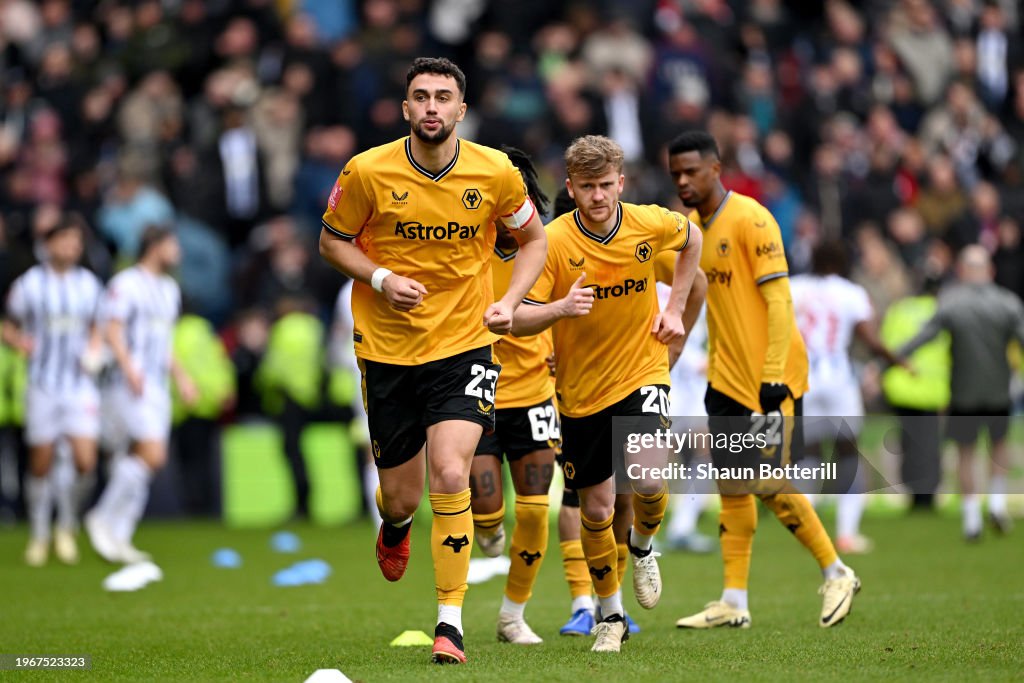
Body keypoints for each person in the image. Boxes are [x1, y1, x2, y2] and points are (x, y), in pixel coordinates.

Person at [318, 57, 547, 665]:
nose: (431, 108)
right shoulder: (367, 171)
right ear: (405, 109)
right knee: (402, 497)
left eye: (443, 97)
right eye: (420, 97)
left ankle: (451, 622)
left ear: (461, 110)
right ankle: (395, 530)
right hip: (388, 352)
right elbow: (331, 240)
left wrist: (510, 301)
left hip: (464, 344)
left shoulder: (494, 172)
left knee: (451, 473)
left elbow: (535, 239)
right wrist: (383, 275)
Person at [512, 134, 702, 653]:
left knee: (646, 474)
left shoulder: (648, 221)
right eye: (587, 187)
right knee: (595, 512)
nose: (598, 196)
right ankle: (611, 617)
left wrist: (674, 310)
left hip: (643, 371)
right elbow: (516, 318)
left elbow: (693, 243)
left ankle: (642, 547)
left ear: (622, 183)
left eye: (606, 185)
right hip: (579, 393)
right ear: (570, 189)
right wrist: (559, 310)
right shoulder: (551, 243)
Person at [667, 130, 860, 630]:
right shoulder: (690, 230)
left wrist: (774, 374)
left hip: (772, 378)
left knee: (766, 479)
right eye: (676, 174)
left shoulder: (752, 219)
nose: (684, 181)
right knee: (732, 486)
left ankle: (836, 570)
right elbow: (686, 302)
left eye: (692, 171)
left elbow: (779, 302)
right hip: (725, 378)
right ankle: (734, 600)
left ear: (716, 168)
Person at [467, 146, 556, 645]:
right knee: (488, 515)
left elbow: (577, 303)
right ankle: (486, 532)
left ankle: (512, 616)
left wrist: (564, 350)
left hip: (536, 395)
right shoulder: (468, 247)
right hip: (478, 391)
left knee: (535, 508)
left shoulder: (549, 246)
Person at [85, 226, 196, 564]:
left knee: (139, 460)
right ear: (155, 245)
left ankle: (121, 535)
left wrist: (182, 377)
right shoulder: (126, 284)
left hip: (157, 384)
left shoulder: (169, 288)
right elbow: (112, 330)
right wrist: (129, 367)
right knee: (152, 453)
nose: (177, 250)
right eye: (172, 243)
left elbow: (164, 343)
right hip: (128, 381)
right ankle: (101, 517)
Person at [898, 245, 1024, 540]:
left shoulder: (952, 303)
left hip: (963, 391)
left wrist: (891, 359)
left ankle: (971, 519)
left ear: (963, 271)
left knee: (965, 452)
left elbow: (923, 337)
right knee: (999, 445)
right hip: (998, 391)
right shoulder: (1008, 303)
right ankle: (995, 502)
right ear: (990, 271)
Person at [2, 219, 104, 566]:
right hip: (43, 384)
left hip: (79, 385)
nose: (71, 247)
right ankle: (40, 533)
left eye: (76, 241)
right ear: (49, 244)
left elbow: (98, 326)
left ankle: (67, 523)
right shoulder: (29, 285)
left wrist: (94, 349)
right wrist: (19, 342)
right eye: (65, 240)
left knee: (85, 462)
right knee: (41, 462)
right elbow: (8, 324)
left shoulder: (89, 285)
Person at [790, 241, 903, 554]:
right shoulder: (851, 292)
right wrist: (897, 360)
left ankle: (806, 531)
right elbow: (869, 338)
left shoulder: (793, 287)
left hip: (803, 377)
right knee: (849, 454)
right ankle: (847, 534)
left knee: (808, 454)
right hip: (839, 378)